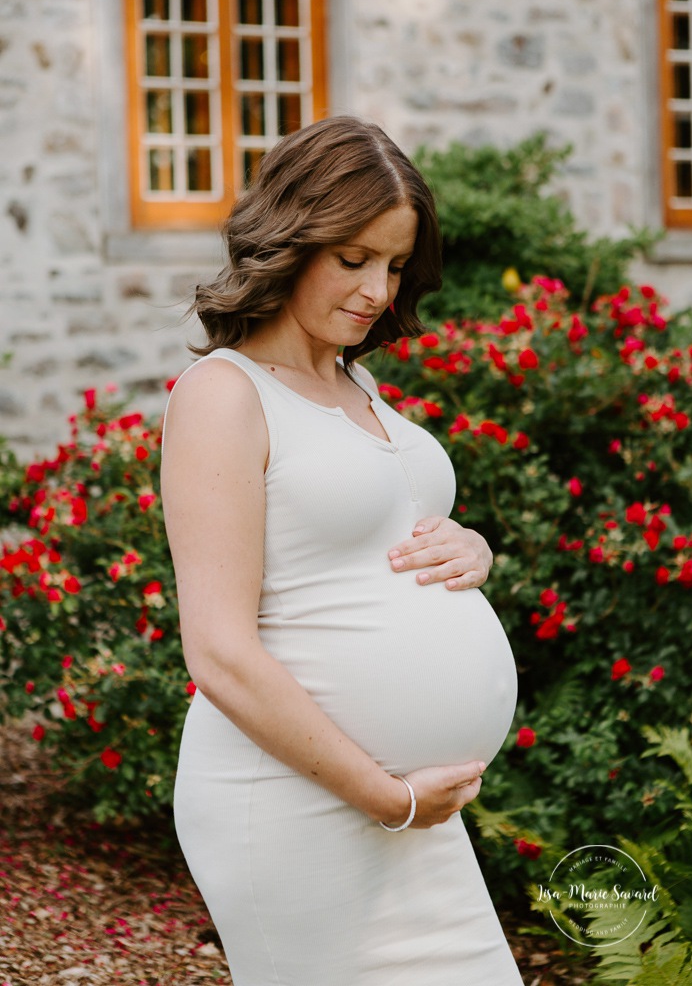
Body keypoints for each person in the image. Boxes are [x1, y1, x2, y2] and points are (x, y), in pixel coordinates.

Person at [160, 116, 523, 985]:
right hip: (296, 801)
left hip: (407, 814)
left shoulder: (352, 382)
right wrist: (384, 796)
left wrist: (466, 549)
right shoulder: (223, 395)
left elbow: (365, 542)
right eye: (353, 258)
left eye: (395, 266)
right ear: (291, 237)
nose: (376, 290)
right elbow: (218, 650)